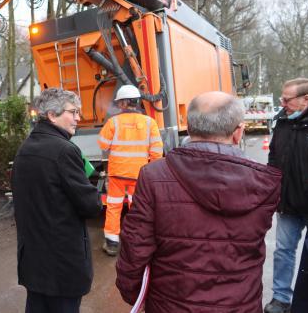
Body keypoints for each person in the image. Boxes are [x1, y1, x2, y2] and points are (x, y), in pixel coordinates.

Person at [116, 91, 282, 312]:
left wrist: (134, 294)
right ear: (238, 132)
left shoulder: (153, 176)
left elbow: (136, 245)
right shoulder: (264, 181)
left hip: (172, 304)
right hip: (240, 304)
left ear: (189, 126)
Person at [12, 88, 102, 313]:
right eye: (73, 112)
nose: (78, 118)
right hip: (62, 266)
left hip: (33, 261)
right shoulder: (65, 150)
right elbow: (91, 206)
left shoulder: (24, 149)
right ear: (52, 115)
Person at [265, 78, 308, 313]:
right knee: (283, 251)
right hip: (287, 204)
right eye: (282, 98)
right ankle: (281, 298)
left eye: (287, 99)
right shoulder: (282, 122)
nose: (282, 103)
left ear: (307, 99)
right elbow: (273, 158)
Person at [97, 85, 163, 256]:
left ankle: (112, 243)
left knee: (114, 206)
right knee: (138, 207)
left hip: (117, 174)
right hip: (139, 175)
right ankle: (138, 242)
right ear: (137, 102)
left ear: (123, 103)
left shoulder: (113, 122)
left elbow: (103, 144)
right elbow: (157, 152)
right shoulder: (150, 123)